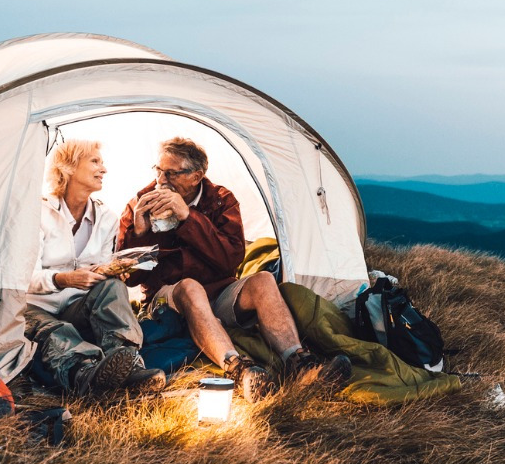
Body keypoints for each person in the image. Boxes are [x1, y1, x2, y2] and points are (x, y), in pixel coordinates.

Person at [117, 137, 351, 402]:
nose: (162, 179)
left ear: (196, 176)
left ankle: (300, 363)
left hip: (218, 293)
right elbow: (131, 278)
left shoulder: (220, 200)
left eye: (171, 172)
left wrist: (188, 218)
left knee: (262, 279)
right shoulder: (141, 202)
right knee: (190, 286)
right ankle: (240, 369)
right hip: (167, 300)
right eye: (158, 170)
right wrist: (139, 231)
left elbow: (230, 259)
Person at [25, 139, 165, 396]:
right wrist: (63, 279)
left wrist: (112, 271)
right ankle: (86, 373)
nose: (104, 169)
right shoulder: (38, 212)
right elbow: (23, 278)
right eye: (95, 161)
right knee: (55, 330)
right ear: (69, 166)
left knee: (113, 286)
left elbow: (100, 269)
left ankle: (128, 362)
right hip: (35, 308)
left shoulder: (106, 218)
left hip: (77, 306)